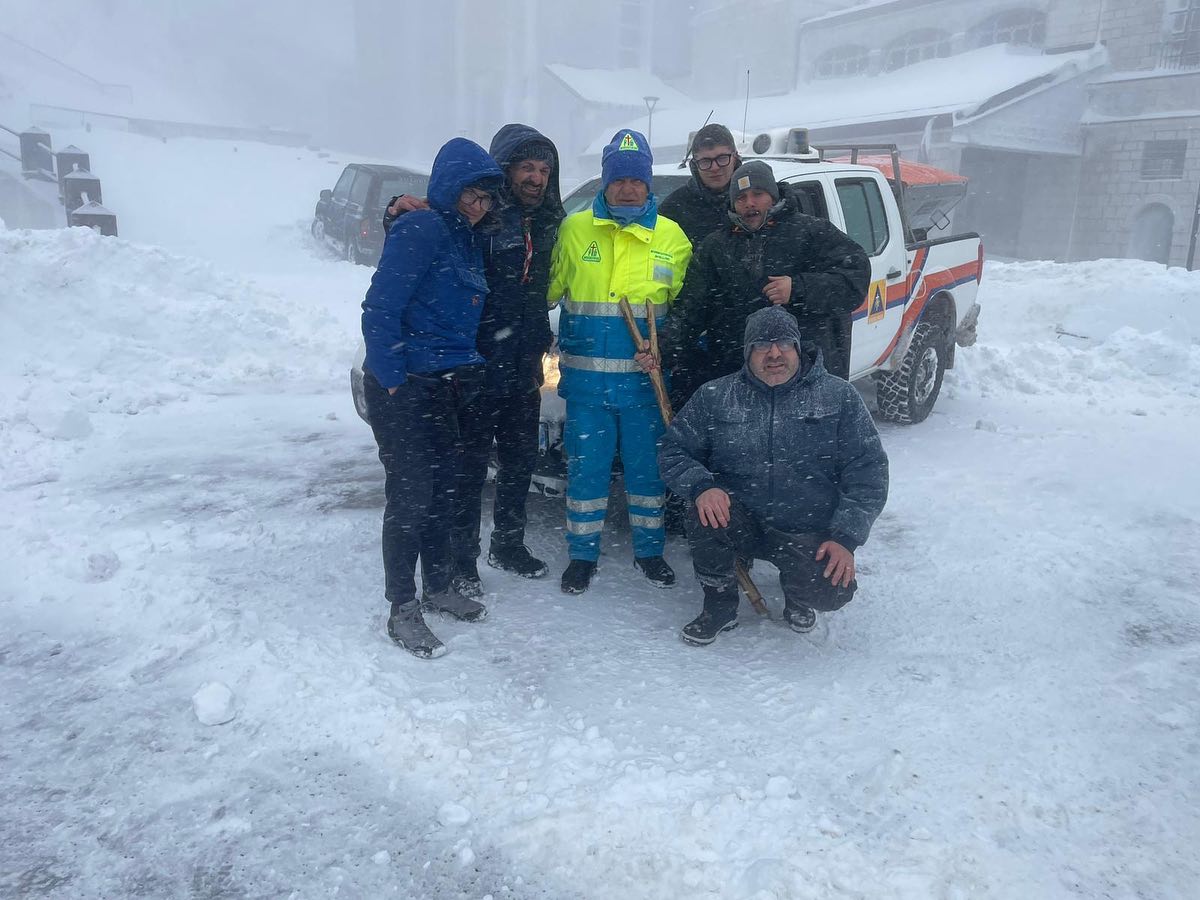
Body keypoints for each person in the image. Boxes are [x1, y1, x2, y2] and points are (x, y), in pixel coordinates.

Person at [385, 125, 565, 599]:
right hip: (475, 363)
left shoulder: (550, 221)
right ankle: (462, 561)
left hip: (525, 362)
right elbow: (434, 241)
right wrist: (395, 212)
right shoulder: (483, 219)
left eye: (545, 170)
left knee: (519, 461)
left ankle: (508, 544)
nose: (536, 178)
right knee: (466, 471)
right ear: (506, 170)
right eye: (526, 167)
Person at [659, 306, 889, 645]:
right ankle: (720, 603)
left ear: (798, 348)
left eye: (784, 343)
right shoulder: (716, 396)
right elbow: (672, 450)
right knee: (701, 510)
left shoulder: (839, 397)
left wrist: (846, 537)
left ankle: (798, 593)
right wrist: (701, 486)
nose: (774, 353)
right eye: (762, 345)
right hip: (741, 519)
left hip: (806, 526)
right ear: (747, 352)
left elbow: (868, 470)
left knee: (831, 592)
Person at [360, 137, 503, 659]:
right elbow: (380, 308)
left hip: (450, 384)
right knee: (411, 497)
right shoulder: (422, 227)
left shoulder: (465, 239)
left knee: (444, 492)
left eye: (487, 198)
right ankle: (402, 607)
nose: (479, 205)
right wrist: (394, 379)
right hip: (409, 387)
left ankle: (438, 585)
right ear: (449, 186)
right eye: (472, 194)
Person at [547, 129, 692, 594]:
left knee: (647, 474)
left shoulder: (672, 237)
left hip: (645, 389)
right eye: (618, 179)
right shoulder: (574, 230)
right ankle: (581, 556)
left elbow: (688, 311)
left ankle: (650, 553)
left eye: (636, 180)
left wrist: (667, 344)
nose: (627, 187)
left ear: (648, 185)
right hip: (587, 389)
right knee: (586, 471)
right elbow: (546, 290)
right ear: (605, 182)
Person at [668, 159, 871, 386]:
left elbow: (855, 280)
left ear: (773, 196)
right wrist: (663, 349)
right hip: (738, 377)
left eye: (758, 194)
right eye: (741, 198)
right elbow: (690, 307)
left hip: (806, 376)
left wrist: (799, 288)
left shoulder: (811, 232)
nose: (749, 203)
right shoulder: (716, 247)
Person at [659, 123, 743, 248]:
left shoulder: (755, 199)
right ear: (694, 165)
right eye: (705, 161)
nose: (714, 167)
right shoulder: (673, 209)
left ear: (735, 157)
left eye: (722, 158)